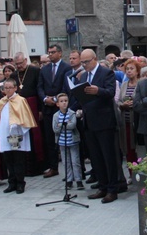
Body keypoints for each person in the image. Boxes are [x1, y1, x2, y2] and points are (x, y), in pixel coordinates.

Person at [75, 49, 119, 204]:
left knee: (108, 157)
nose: (84, 65)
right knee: (96, 157)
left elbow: (111, 92)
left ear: (94, 59)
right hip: (89, 120)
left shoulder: (106, 73)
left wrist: (97, 90)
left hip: (104, 121)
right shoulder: (84, 76)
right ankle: (102, 186)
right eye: (82, 62)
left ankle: (112, 189)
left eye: (86, 62)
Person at [0, 79, 37, 194]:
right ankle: (11, 183)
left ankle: (20, 183)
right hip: (5, 134)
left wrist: (19, 126)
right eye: (5, 88)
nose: (8, 90)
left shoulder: (21, 100)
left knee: (18, 160)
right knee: (8, 160)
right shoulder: (2, 101)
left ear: (15, 88)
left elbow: (27, 118)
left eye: (10, 87)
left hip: (17, 134)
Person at [37, 44, 72, 178]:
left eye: (53, 52)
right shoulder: (44, 69)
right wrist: (45, 98)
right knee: (49, 139)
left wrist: (57, 98)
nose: (50, 55)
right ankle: (53, 167)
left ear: (60, 53)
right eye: (49, 52)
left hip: (61, 107)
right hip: (47, 108)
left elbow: (66, 86)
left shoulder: (66, 68)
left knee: (64, 139)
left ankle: (69, 169)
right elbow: (39, 87)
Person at [52, 93, 84, 190]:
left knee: (75, 161)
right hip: (62, 142)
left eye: (66, 101)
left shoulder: (71, 113)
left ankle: (78, 180)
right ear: (57, 104)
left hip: (73, 141)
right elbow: (55, 129)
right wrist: (65, 124)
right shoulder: (56, 115)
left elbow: (73, 125)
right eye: (61, 101)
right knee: (66, 162)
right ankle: (69, 180)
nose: (64, 103)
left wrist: (61, 125)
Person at [117, 59, 141, 165]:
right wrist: (122, 105)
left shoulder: (141, 83)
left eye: (132, 69)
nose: (129, 71)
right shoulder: (124, 84)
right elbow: (118, 101)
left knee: (137, 147)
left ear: (137, 71)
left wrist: (134, 103)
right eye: (127, 69)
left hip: (137, 120)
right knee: (127, 147)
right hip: (125, 120)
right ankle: (131, 171)